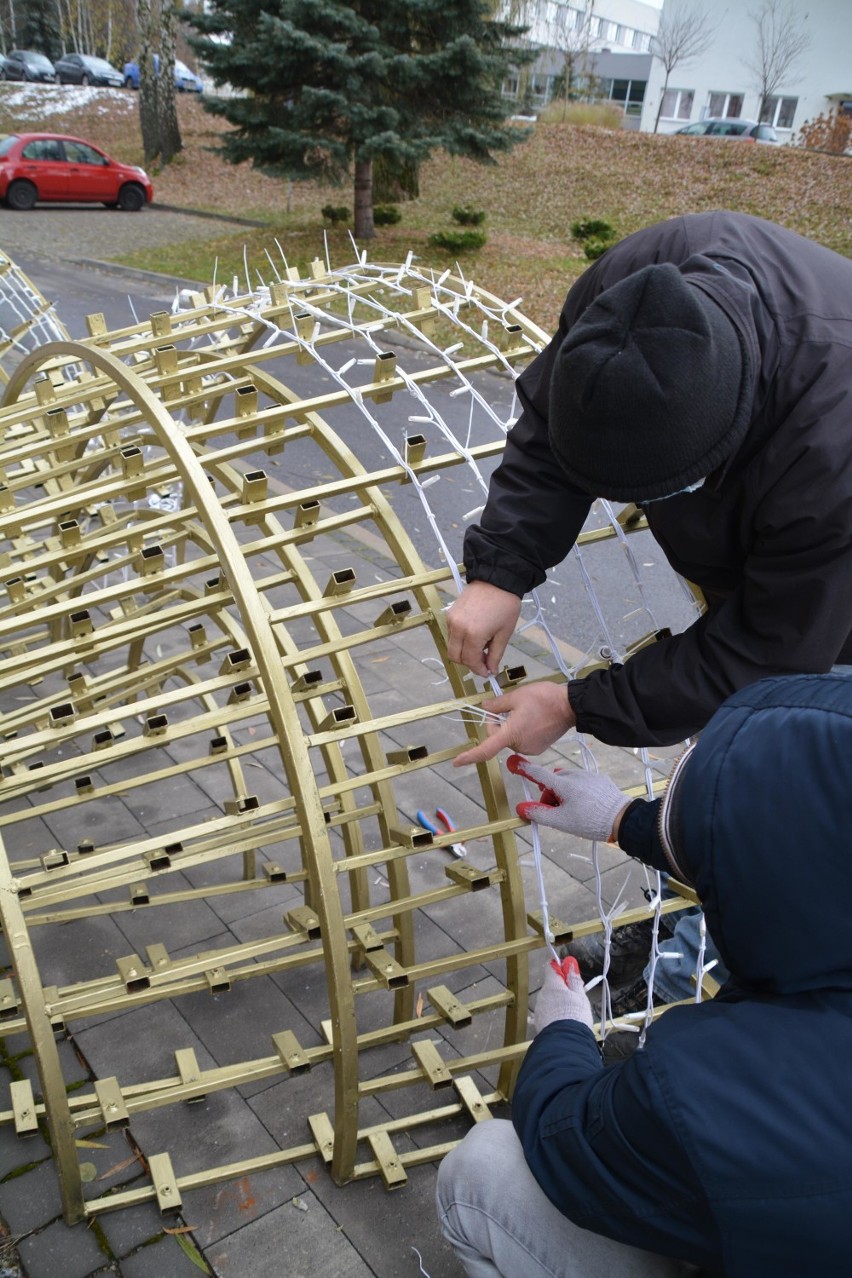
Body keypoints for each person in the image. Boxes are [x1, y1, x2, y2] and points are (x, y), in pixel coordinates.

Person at [446, 209, 852, 1003]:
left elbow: (764, 651)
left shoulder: (831, 453)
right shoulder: (640, 289)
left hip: (838, 595)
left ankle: (730, 979)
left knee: (790, 770)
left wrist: (576, 702)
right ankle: (682, 917)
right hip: (783, 554)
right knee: (726, 750)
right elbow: (558, 426)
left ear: (724, 442)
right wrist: (502, 568)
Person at [436, 673, 852, 1277]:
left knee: (482, 1170)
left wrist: (563, 1033)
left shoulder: (715, 1086)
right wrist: (626, 820)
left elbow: (561, 1134)